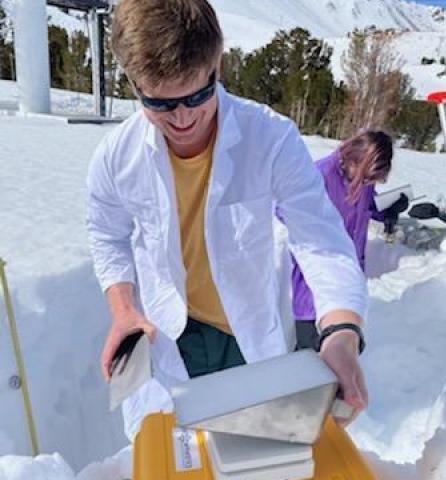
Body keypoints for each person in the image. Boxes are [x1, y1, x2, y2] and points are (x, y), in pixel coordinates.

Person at [86, 0, 368, 440]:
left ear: (217, 63)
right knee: (179, 454)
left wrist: (341, 334)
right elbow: (108, 235)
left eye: (197, 95)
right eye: (160, 103)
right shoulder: (116, 157)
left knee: (255, 452)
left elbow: (321, 241)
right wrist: (123, 309)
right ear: (134, 82)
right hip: (172, 335)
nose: (181, 119)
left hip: (248, 334)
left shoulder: (270, 138)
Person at [293, 130, 409, 350]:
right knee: (310, 358)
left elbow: (363, 208)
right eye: (366, 177)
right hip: (314, 289)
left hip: (347, 280)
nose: (367, 183)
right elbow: (282, 212)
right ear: (351, 158)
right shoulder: (318, 176)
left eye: (371, 180)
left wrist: (388, 210)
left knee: (343, 353)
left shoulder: (361, 180)